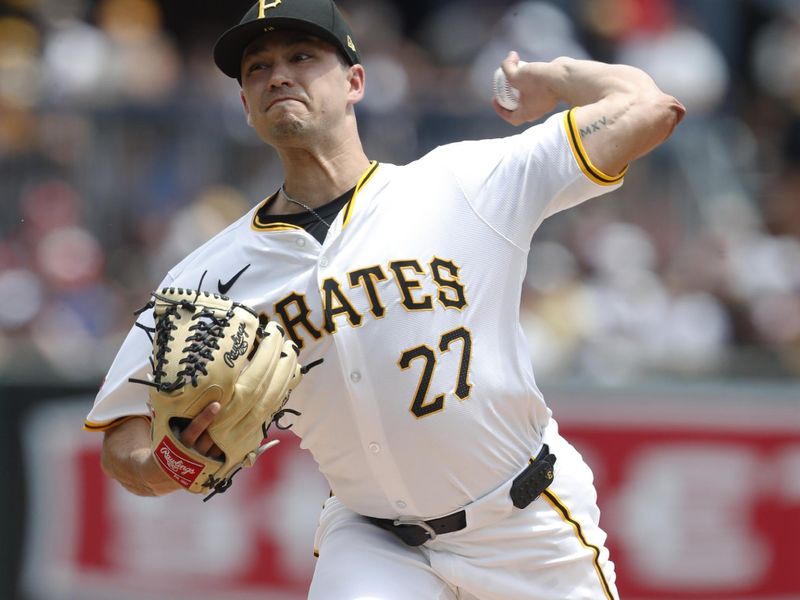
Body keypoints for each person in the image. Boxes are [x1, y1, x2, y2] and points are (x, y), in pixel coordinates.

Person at [86, 0, 685, 597]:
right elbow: (122, 436)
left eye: (302, 56)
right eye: (257, 69)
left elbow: (651, 108)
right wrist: (170, 464)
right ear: (246, 105)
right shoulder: (209, 278)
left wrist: (551, 78)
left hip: (524, 525)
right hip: (372, 541)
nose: (279, 75)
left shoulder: (461, 185)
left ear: (356, 82)